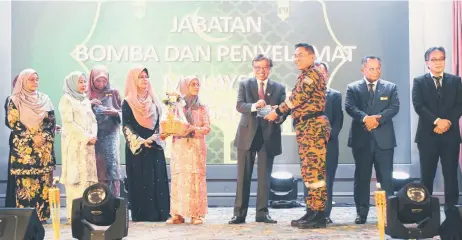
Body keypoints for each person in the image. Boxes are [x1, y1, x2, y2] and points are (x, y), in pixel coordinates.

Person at [265, 43, 331, 229]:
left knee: (315, 172)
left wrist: (277, 111)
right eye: (295, 55)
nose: (296, 59)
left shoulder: (312, 74)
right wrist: (278, 111)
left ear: (312, 56)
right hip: (305, 127)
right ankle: (311, 211)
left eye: (301, 55)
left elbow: (296, 99)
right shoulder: (304, 75)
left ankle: (319, 215)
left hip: (314, 126)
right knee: (309, 172)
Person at [229, 54, 286, 224]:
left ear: (270, 68)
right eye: (258, 67)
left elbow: (284, 112)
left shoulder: (279, 88)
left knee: (264, 179)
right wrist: (255, 106)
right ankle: (239, 214)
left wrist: (277, 116)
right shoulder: (245, 84)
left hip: (268, 136)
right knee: (243, 177)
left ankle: (262, 213)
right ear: (253, 68)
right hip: (247, 136)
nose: (261, 71)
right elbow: (240, 105)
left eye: (265, 67)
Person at [344, 56, 399, 224]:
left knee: (386, 179)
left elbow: (394, 107)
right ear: (363, 70)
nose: (376, 71)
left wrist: (377, 119)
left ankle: (387, 215)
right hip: (362, 140)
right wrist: (365, 118)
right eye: (372, 68)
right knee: (362, 178)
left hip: (384, 140)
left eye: (378, 68)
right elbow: (349, 107)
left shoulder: (390, 87)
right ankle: (362, 213)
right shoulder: (353, 88)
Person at [412, 46, 462, 210]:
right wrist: (437, 121)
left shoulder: (455, 81)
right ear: (427, 63)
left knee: (451, 175)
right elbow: (419, 106)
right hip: (428, 136)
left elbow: (459, 105)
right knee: (427, 176)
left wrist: (446, 122)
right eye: (434, 59)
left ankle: (451, 212)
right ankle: (425, 212)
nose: (439, 62)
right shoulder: (419, 81)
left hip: (450, 135)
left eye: (441, 58)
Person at [5, 69, 56, 223]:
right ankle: (26, 217)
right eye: (31, 80)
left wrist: (43, 136)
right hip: (24, 151)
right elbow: (13, 123)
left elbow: (51, 122)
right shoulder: (14, 100)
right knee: (26, 185)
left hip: (43, 150)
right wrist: (32, 137)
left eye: (37, 79)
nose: (35, 83)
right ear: (23, 81)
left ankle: (42, 216)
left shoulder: (45, 99)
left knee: (43, 184)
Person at [122, 66, 170, 222]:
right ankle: (143, 214)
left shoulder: (155, 100)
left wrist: (155, 137)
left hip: (154, 144)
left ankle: (160, 213)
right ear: (134, 80)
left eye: (146, 76)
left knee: (157, 179)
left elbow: (161, 123)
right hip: (138, 149)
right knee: (141, 180)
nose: (144, 80)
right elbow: (126, 126)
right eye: (141, 77)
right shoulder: (128, 102)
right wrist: (142, 142)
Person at [167, 76, 211, 225]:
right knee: (179, 179)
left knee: (195, 179)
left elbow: (207, 128)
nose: (196, 87)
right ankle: (178, 214)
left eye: (198, 84)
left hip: (196, 147)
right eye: (193, 84)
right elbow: (170, 125)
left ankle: (196, 214)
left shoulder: (202, 107)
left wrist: (193, 129)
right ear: (185, 87)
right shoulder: (176, 106)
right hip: (180, 147)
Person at [59, 71, 98, 221]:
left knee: (88, 180)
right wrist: (86, 136)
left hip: (88, 146)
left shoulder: (85, 100)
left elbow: (92, 120)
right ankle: (74, 215)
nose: (83, 85)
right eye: (80, 82)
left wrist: (93, 135)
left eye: (84, 82)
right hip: (75, 145)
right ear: (72, 84)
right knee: (75, 179)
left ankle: (88, 213)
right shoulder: (66, 99)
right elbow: (68, 124)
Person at [310, 61, 344, 224]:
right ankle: (311, 211)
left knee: (327, 179)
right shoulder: (305, 95)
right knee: (311, 180)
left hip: (329, 144)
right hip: (309, 145)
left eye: (322, 74)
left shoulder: (335, 95)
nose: (319, 77)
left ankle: (325, 213)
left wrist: (328, 136)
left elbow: (338, 119)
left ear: (327, 75)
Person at [88, 65, 122, 196]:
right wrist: (89, 105)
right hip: (93, 137)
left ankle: (114, 200)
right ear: (92, 80)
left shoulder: (114, 93)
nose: (101, 84)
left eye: (104, 80)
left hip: (110, 135)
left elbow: (123, 112)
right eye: (98, 81)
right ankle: (96, 200)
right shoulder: (86, 94)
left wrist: (115, 113)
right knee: (96, 168)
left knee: (111, 167)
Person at [4, 74, 19, 208]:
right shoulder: (11, 100)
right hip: (18, 142)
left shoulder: (37, 99)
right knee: (15, 175)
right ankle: (13, 204)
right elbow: (9, 122)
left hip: (35, 146)